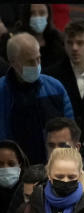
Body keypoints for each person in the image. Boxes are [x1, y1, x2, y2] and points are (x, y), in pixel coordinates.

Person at [0, 33, 74, 164]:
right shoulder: (2, 91)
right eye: (30, 61)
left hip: (52, 166)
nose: (36, 64)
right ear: (13, 62)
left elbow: (70, 131)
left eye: (38, 59)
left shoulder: (55, 88)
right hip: (12, 169)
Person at [0, 4, 66, 68]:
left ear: (48, 15)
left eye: (42, 13)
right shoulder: (12, 40)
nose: (37, 17)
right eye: (32, 13)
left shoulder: (58, 40)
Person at [0, 139, 27, 213]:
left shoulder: (31, 191)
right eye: (0, 164)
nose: (5, 168)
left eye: (11, 164)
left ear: (20, 164)